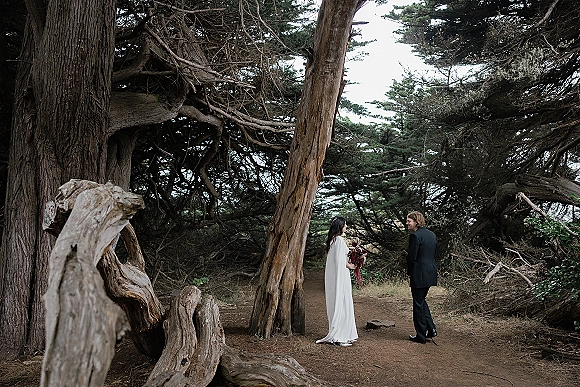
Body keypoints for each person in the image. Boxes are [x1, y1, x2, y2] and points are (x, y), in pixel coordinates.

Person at [316, 216, 358, 347]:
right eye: (345, 225)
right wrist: (351, 266)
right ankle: (340, 336)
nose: (346, 227)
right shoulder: (338, 240)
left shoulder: (333, 240)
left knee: (342, 304)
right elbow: (340, 262)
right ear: (340, 227)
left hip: (338, 277)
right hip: (341, 278)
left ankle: (344, 334)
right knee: (343, 303)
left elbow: (340, 259)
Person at [406, 211, 438, 344]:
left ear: (416, 222)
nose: (407, 223)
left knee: (418, 304)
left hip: (419, 273)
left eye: (409, 221)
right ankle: (431, 329)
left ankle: (421, 335)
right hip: (430, 272)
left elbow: (412, 257)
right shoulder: (432, 235)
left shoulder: (415, 236)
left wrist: (410, 271)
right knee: (421, 300)